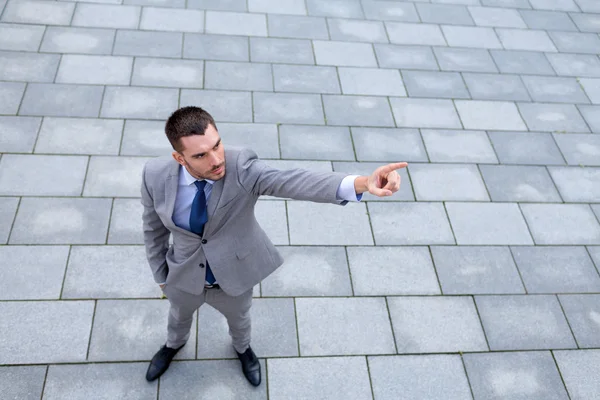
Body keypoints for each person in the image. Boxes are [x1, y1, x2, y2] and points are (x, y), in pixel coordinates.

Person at [141, 106, 407, 385]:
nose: (217, 159)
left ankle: (243, 350)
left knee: (240, 320)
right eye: (200, 155)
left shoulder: (242, 167)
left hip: (234, 276)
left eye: (217, 145)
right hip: (182, 275)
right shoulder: (154, 175)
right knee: (177, 317)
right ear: (179, 158)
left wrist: (364, 182)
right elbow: (152, 229)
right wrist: (161, 277)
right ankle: (173, 345)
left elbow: (293, 181)